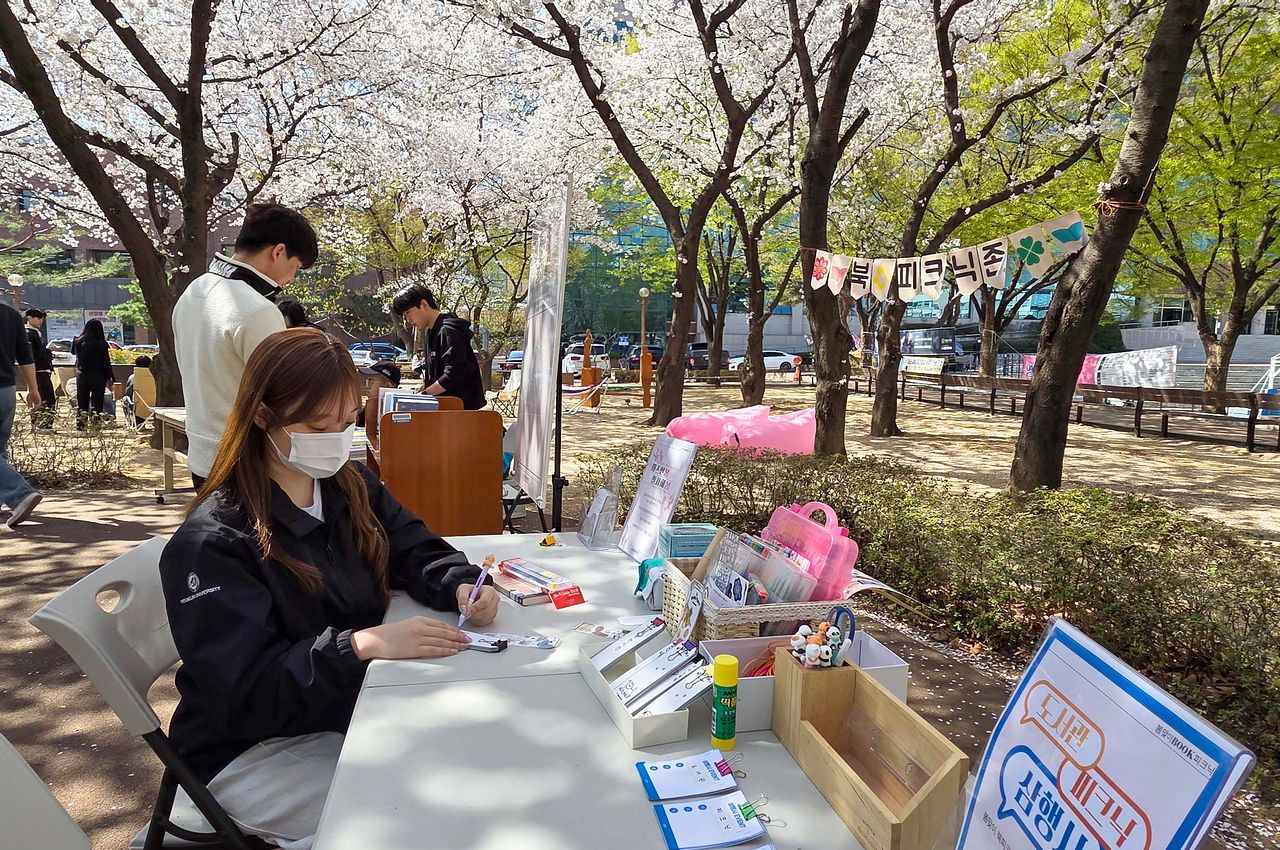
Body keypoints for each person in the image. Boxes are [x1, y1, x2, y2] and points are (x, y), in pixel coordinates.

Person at [160, 329, 497, 849]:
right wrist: (361, 645)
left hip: (342, 711)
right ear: (262, 416)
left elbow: (414, 547)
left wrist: (459, 585)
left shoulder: (348, 484)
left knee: (472, 760)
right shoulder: (217, 541)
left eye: (345, 424)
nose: (336, 441)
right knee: (428, 815)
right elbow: (246, 690)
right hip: (249, 748)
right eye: (317, 426)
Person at [174, 203, 318, 489]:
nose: (290, 280)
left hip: (203, 454)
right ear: (278, 252)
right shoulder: (256, 309)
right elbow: (282, 395)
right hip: (245, 461)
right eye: (295, 268)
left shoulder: (195, 290)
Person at [390, 283, 486, 409]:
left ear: (423, 304)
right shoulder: (432, 331)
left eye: (408, 312)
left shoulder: (447, 331)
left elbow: (455, 373)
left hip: (460, 414)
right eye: (404, 315)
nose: (408, 320)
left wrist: (424, 395)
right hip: (446, 412)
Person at [1, 301, 42, 528]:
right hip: (7, 390)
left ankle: (19, 494)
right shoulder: (10, 313)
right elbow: (25, 354)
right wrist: (33, 388)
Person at [73, 319, 115, 430]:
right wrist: (111, 377)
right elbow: (106, 362)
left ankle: (81, 426)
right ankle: (96, 426)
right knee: (97, 402)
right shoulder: (101, 343)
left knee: (82, 402)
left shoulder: (77, 341)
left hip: (82, 375)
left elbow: (74, 353)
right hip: (98, 376)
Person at [355, 359, 400, 451]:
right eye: (367, 381)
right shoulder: (371, 406)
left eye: (371, 381)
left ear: (388, 386)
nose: (367, 386)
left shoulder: (399, 411)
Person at [24, 309, 55, 429]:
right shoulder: (28, 332)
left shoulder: (35, 332)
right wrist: (45, 353)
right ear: (29, 318)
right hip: (38, 370)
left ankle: (40, 424)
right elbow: (31, 353)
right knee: (46, 398)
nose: (40, 321)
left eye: (41, 318)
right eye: (38, 318)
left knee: (44, 398)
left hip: (41, 370)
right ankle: (43, 424)